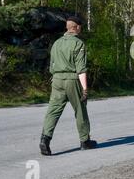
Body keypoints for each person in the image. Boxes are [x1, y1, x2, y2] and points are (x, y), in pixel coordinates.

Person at [39, 16, 97, 156]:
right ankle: (85, 141)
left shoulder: (56, 43)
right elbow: (81, 69)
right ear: (76, 27)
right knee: (80, 110)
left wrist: (55, 77)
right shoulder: (78, 44)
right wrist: (85, 89)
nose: (80, 28)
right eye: (80, 26)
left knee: (53, 111)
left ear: (67, 27)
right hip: (72, 80)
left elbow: (51, 65)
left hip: (57, 80)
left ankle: (45, 140)